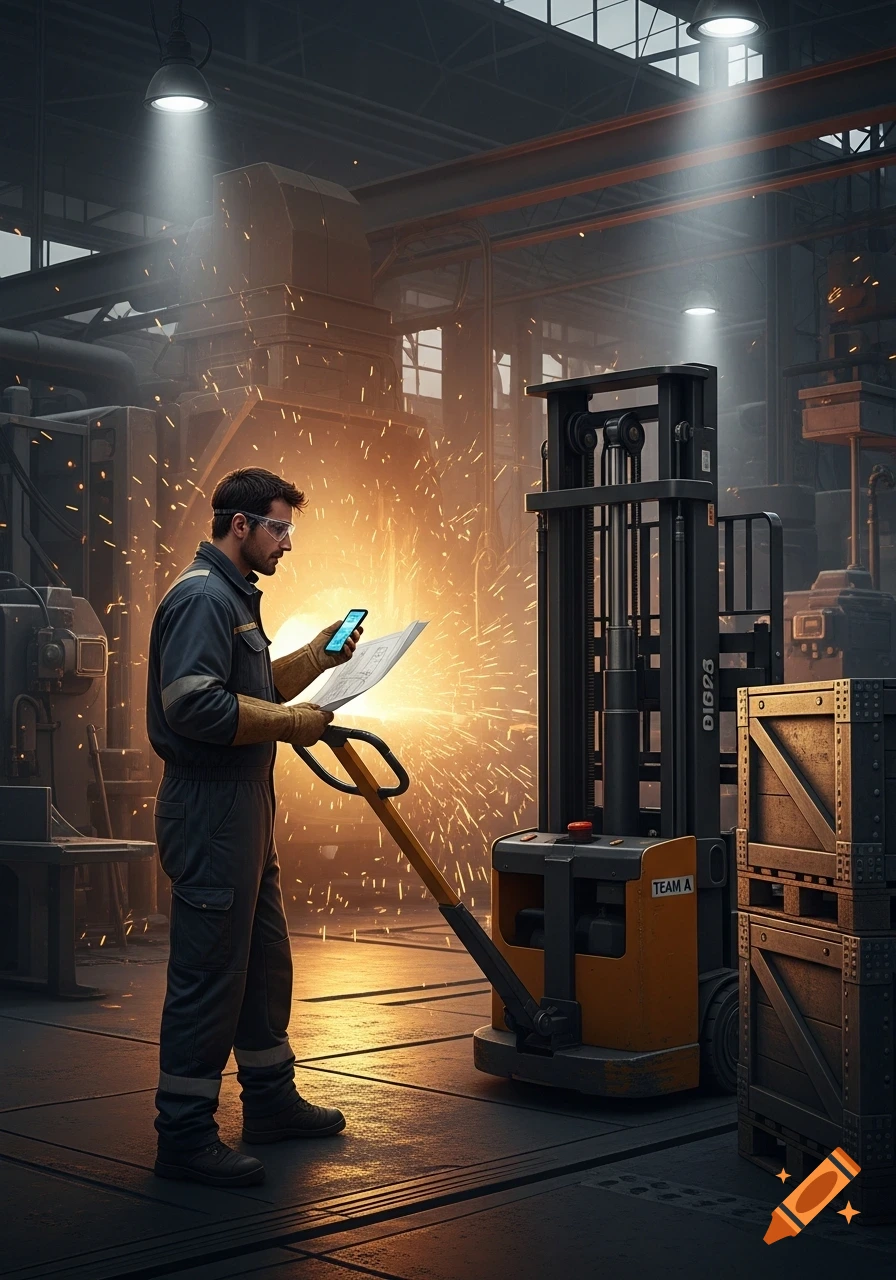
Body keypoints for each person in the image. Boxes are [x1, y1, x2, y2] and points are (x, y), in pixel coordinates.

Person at [146, 466, 363, 1187]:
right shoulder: (201, 598)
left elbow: (253, 689)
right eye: (280, 528)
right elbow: (195, 709)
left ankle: (269, 1101)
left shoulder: (234, 598)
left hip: (245, 804)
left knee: (263, 965)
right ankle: (183, 1135)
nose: (287, 544)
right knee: (210, 973)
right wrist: (295, 724)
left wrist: (319, 655)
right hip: (209, 807)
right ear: (240, 525)